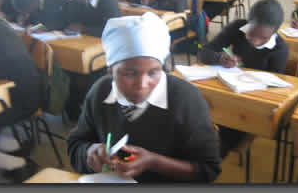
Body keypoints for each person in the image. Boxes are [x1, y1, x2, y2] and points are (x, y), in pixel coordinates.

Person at [67, 12, 222, 183]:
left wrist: (154, 162)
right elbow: (76, 144)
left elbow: (208, 170)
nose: (142, 84)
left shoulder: (185, 99)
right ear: (110, 71)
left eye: (153, 72)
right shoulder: (100, 92)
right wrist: (89, 152)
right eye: (130, 73)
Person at [199, 0, 288, 158]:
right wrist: (220, 58)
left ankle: (210, 161)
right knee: (197, 118)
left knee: (222, 134)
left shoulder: (280, 50)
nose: (255, 41)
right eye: (251, 34)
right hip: (224, 93)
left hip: (250, 106)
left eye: (263, 38)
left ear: (274, 33)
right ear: (248, 22)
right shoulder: (237, 27)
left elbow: (273, 91)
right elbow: (204, 51)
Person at [0, 0, 41, 182]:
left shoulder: (0, 35)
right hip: (4, 92)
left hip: (20, 99)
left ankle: (8, 160)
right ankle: (7, 149)